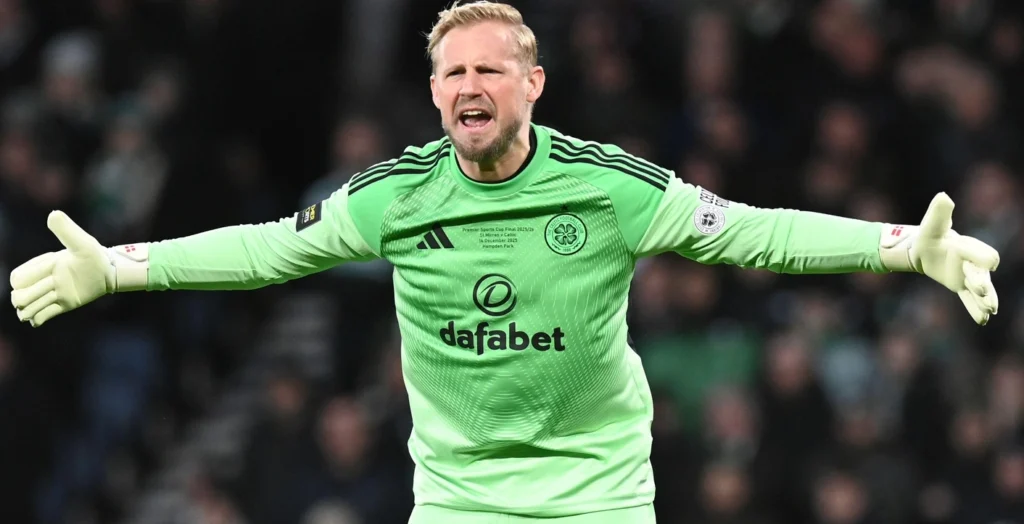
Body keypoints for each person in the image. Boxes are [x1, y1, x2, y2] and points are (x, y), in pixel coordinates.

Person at [7, 1, 1001, 522]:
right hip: (460, 503)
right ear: (435, 93)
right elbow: (269, 249)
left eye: (490, 67)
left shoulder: (607, 186)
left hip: (596, 496)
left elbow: (753, 231)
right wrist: (120, 265)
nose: (469, 84)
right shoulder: (395, 195)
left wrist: (900, 249)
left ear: (533, 84)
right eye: (452, 72)